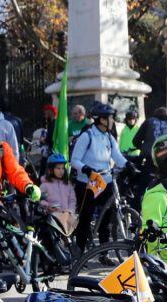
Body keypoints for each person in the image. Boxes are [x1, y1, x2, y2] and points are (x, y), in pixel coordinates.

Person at [69, 102, 126, 250]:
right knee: (85, 219)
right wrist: (86, 169)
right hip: (88, 183)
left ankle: (104, 252)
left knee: (106, 219)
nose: (112, 121)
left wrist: (128, 165)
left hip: (105, 181)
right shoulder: (87, 136)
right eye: (110, 118)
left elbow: (117, 156)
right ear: (101, 119)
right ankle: (80, 252)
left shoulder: (108, 136)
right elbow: (74, 160)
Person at [39, 153, 78, 234]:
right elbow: (40, 200)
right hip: (53, 221)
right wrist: (48, 206)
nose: (61, 171)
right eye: (58, 168)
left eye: (63, 168)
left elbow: (72, 200)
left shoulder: (67, 184)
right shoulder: (44, 185)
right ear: (51, 169)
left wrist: (70, 212)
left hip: (67, 218)